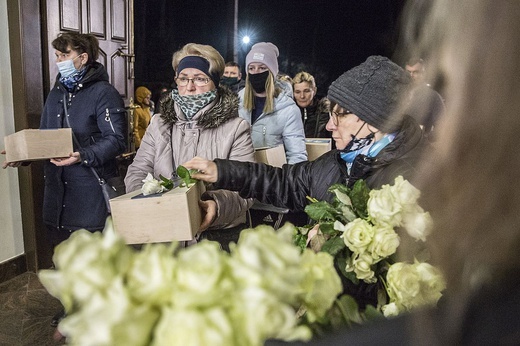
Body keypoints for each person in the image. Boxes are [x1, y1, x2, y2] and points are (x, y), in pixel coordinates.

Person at [183, 55, 423, 218]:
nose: (330, 125)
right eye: (330, 114)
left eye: (339, 116)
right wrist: (221, 171)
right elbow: (284, 181)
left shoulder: (412, 182)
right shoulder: (334, 163)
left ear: (373, 121)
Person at [3, 32, 127, 332]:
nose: (59, 62)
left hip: (88, 193)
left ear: (83, 58)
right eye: (56, 56)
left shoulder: (104, 93)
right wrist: (23, 154)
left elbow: (117, 140)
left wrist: (82, 155)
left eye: (64, 55)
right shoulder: (56, 93)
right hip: (57, 194)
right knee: (65, 261)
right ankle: (73, 313)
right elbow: (47, 140)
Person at [124, 43, 255, 247]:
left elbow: (246, 187)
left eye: (200, 79)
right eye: (183, 78)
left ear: (215, 83)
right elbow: (138, 170)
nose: (190, 87)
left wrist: (216, 205)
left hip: (212, 243)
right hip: (164, 238)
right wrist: (149, 202)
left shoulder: (236, 128)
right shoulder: (158, 123)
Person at [239, 42, 307, 164]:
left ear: (272, 72)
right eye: (251, 68)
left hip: (272, 178)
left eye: (262, 68)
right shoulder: (237, 102)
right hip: (240, 177)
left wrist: (285, 182)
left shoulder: (288, 109)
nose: (256, 72)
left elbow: (297, 155)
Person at [404, 57, 445, 140]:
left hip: (414, 148)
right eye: (408, 72)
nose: (411, 75)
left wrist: (423, 140)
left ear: (424, 74)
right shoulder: (397, 92)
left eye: (416, 72)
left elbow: (442, 128)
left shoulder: (433, 97)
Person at [292, 71, 331, 139]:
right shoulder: (289, 114)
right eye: (297, 92)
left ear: (314, 91)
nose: (302, 96)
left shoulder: (326, 113)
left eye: (306, 91)